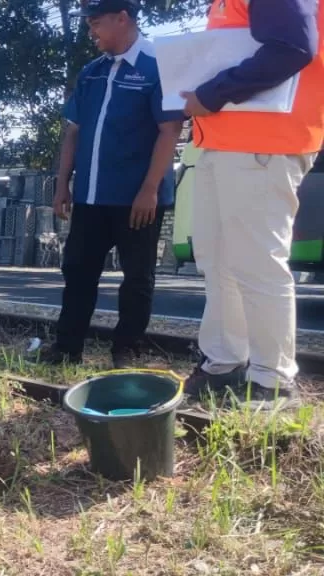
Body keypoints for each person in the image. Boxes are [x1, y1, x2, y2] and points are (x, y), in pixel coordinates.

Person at [179, 0, 323, 407]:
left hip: (263, 144)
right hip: (226, 143)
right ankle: (224, 363)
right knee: (218, 258)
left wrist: (213, 92)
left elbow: (294, 46)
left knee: (257, 262)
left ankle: (272, 381)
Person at [41, 0, 185, 369]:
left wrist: (150, 188)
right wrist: (62, 185)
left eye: (96, 23)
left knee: (137, 276)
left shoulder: (158, 68)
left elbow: (169, 131)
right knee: (78, 270)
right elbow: (72, 132)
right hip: (91, 196)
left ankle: (126, 348)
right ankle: (67, 347)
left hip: (138, 199)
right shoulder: (91, 72)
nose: (91, 31)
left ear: (123, 19)